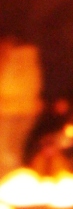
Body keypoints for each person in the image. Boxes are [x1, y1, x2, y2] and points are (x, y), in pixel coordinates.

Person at [0, 38, 43, 173]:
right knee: (11, 150)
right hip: (23, 108)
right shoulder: (29, 57)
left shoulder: (16, 58)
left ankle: (8, 183)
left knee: (6, 152)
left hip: (10, 109)